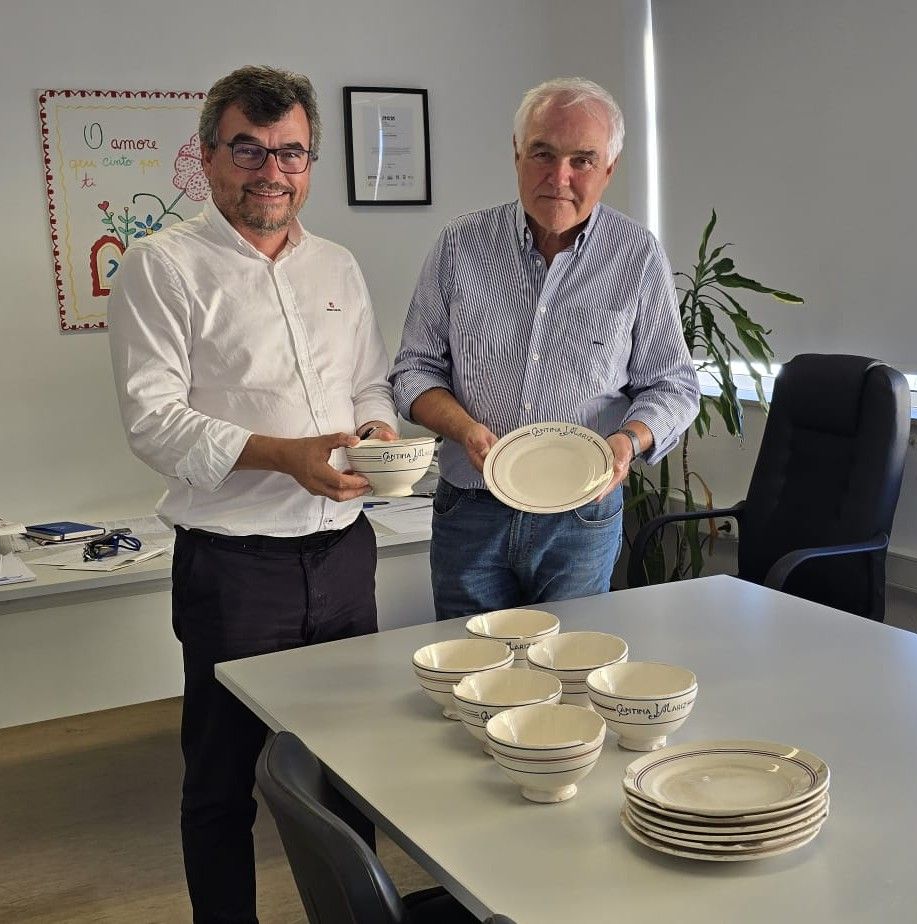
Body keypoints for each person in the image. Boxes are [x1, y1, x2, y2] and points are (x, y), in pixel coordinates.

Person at [107, 65, 397, 923]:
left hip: (343, 555)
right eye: (248, 150)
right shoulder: (162, 267)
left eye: (290, 152)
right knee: (221, 784)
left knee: (351, 767)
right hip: (235, 572)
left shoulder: (337, 265)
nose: (271, 171)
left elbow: (369, 383)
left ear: (309, 162)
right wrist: (282, 457)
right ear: (207, 157)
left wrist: (376, 431)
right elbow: (153, 421)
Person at [390, 76, 699, 621]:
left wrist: (628, 441)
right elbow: (414, 370)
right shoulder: (460, 245)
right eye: (543, 154)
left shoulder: (636, 255)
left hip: (580, 515)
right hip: (471, 508)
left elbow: (673, 385)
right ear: (516, 154)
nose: (560, 178)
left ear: (609, 169)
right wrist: (464, 428)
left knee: (571, 662)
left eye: (583, 160)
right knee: (470, 661)